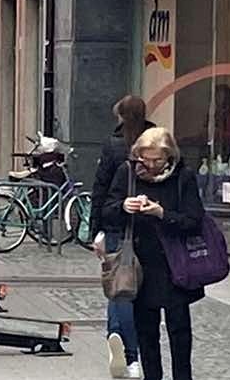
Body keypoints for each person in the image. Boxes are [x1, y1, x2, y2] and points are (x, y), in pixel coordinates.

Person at [103, 127, 205, 380]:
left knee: (179, 330)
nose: (149, 165)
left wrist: (162, 214)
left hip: (176, 265)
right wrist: (124, 206)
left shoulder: (183, 177)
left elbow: (194, 221)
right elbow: (107, 210)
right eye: (144, 159)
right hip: (141, 263)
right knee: (147, 331)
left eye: (157, 160)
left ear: (169, 156)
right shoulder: (127, 173)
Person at [93, 95, 154, 379]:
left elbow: (100, 189)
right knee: (128, 291)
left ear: (120, 116)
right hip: (149, 229)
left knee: (120, 286)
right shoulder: (155, 143)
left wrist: (97, 231)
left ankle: (124, 347)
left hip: (119, 226)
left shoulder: (113, 145)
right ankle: (126, 351)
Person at [212, 86, 230, 166]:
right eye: (216, 96)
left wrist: (217, 132)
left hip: (228, 153)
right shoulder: (214, 115)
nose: (217, 99)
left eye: (220, 96)